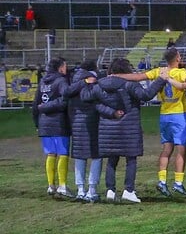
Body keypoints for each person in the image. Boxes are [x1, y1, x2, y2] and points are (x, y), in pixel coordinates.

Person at [114, 47, 186, 198]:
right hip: (179, 115)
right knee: (181, 150)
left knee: (166, 149)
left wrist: (117, 75)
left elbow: (139, 77)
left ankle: (162, 181)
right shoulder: (181, 73)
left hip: (164, 115)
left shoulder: (159, 71)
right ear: (177, 58)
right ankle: (178, 183)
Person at [82, 58, 167, 203]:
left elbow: (86, 98)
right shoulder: (130, 84)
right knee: (131, 159)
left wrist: (84, 82)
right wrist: (160, 80)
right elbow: (146, 95)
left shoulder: (99, 86)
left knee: (111, 159)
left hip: (107, 129)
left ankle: (110, 190)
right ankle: (128, 190)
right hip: (129, 128)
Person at [32, 58, 74, 198]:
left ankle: (51, 185)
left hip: (44, 123)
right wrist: (47, 107)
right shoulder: (61, 81)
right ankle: (62, 186)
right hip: (59, 123)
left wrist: (37, 123)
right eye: (65, 66)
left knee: (50, 154)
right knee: (63, 154)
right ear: (60, 68)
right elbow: (64, 101)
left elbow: (35, 104)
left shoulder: (43, 81)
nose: (66, 68)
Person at [64, 60, 103, 202]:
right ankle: (92, 190)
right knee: (96, 156)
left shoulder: (73, 81)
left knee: (80, 156)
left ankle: (80, 189)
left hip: (76, 122)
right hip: (93, 121)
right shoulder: (94, 81)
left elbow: (66, 96)